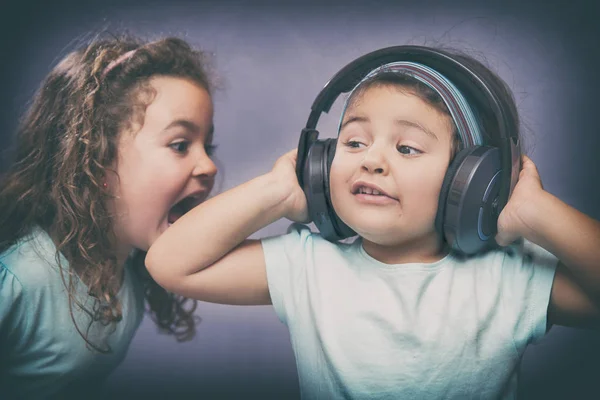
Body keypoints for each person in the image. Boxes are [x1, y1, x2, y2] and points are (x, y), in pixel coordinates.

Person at [145, 46, 600, 399]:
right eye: (355, 141)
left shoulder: (509, 279)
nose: (372, 161)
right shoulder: (307, 265)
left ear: (475, 181)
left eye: (407, 149)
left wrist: (533, 212)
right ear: (319, 164)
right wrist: (277, 192)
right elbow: (170, 263)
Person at [0, 34, 218, 398]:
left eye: (208, 147)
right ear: (98, 163)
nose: (210, 165)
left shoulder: (128, 265)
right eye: (180, 145)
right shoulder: (23, 279)